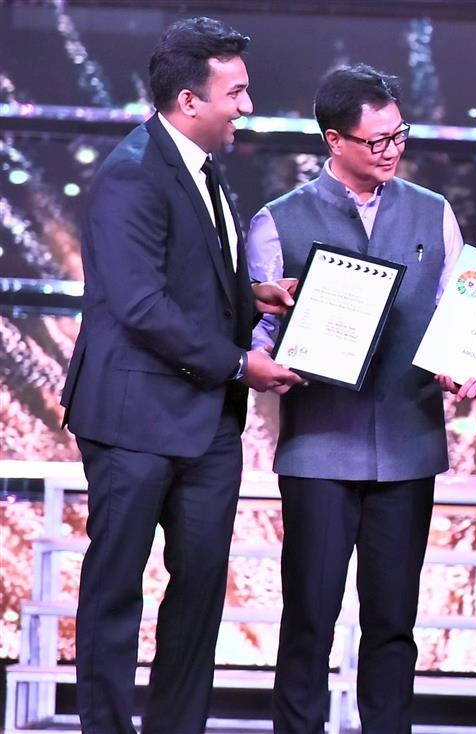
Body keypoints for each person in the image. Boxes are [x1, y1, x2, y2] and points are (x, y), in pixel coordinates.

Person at [59, 16, 304, 734]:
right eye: (238, 92)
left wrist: (252, 296)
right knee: (114, 595)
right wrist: (239, 363)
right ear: (190, 101)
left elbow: (189, 279)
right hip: (132, 422)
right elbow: (140, 305)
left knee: (198, 598)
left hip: (206, 428)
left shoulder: (204, 168)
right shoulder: (131, 174)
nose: (247, 106)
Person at [246, 63, 476, 733]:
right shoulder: (276, 224)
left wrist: (459, 370)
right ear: (334, 140)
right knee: (309, 620)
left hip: (408, 452)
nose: (391, 150)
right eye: (376, 140)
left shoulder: (433, 213)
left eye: (398, 135)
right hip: (318, 451)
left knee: (393, 625)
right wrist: (265, 365)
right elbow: (255, 337)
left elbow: (453, 324)